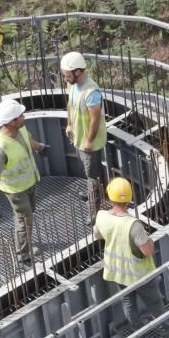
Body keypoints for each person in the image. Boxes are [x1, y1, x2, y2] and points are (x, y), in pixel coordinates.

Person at [93, 177, 169, 338]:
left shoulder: (102, 216)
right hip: (140, 274)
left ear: (110, 196)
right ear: (130, 198)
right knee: (155, 302)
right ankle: (168, 331)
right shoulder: (133, 225)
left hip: (117, 272)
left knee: (128, 301)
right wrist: (150, 241)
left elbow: (97, 235)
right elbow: (147, 250)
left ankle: (137, 331)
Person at [0, 98, 49, 267]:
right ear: (11, 122)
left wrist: (41, 147)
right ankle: (24, 257)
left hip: (30, 183)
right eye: (20, 116)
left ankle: (26, 248)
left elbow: (28, 142)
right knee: (23, 221)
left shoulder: (20, 130)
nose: (24, 117)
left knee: (28, 216)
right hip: (16, 191)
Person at [61, 51, 106, 220]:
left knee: (92, 176)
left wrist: (89, 141)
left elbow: (95, 119)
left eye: (67, 74)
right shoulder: (73, 84)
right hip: (79, 138)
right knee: (87, 171)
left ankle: (94, 211)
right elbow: (70, 104)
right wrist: (70, 124)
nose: (65, 78)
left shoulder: (91, 92)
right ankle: (91, 194)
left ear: (78, 72)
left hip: (90, 142)